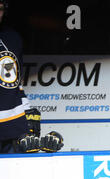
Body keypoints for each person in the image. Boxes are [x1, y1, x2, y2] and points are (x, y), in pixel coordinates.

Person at [0, 0, 63, 153]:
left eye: (0, 8)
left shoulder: (12, 38)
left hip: (13, 129)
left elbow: (15, 82)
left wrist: (27, 112)